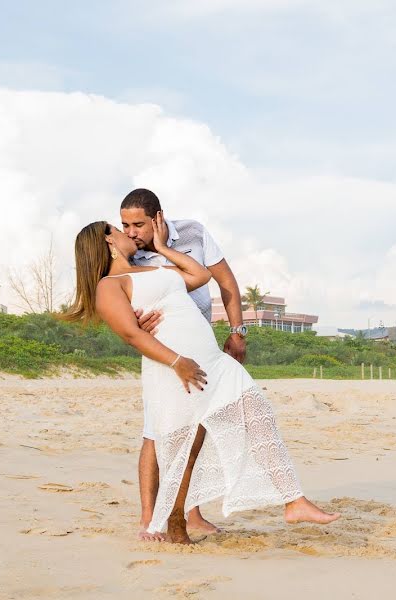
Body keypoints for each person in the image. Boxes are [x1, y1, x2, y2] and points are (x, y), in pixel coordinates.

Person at [63, 215, 339, 543]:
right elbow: (130, 335)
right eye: (118, 229)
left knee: (254, 412)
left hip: (211, 363)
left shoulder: (152, 269)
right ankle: (177, 527)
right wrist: (177, 362)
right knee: (186, 449)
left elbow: (200, 273)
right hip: (175, 370)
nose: (126, 234)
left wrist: (163, 247)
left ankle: (293, 500)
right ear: (107, 241)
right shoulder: (109, 286)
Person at [120, 188, 248, 539]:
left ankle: (190, 514)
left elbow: (226, 283)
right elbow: (117, 306)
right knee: (154, 432)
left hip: (201, 349)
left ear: (158, 217)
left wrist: (237, 332)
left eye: (138, 224)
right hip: (162, 353)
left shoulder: (193, 232)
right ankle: (149, 517)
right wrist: (134, 326)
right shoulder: (126, 253)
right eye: (125, 225)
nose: (131, 232)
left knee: (195, 431)